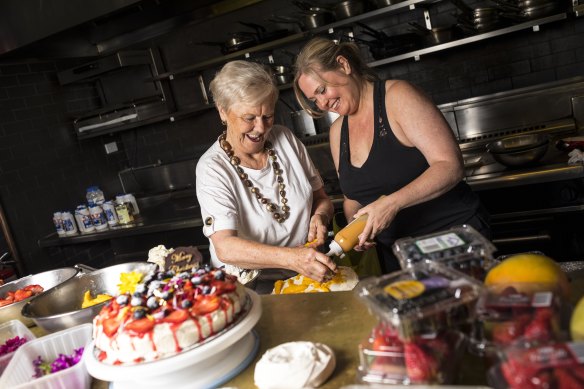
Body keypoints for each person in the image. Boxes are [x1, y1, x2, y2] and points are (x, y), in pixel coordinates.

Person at [293, 37, 490, 273]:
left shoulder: (398, 97)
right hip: (396, 258)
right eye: (315, 100)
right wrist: (358, 230)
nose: (323, 104)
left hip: (450, 244)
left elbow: (450, 165)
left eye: (322, 90)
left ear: (344, 65)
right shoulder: (337, 132)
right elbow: (353, 197)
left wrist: (391, 203)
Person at [196, 60, 336, 285]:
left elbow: (322, 199)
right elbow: (226, 247)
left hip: (305, 271)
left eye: (268, 116)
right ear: (223, 112)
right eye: (249, 118)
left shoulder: (286, 139)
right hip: (250, 285)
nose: (261, 128)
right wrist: (292, 259)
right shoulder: (213, 168)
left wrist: (320, 216)